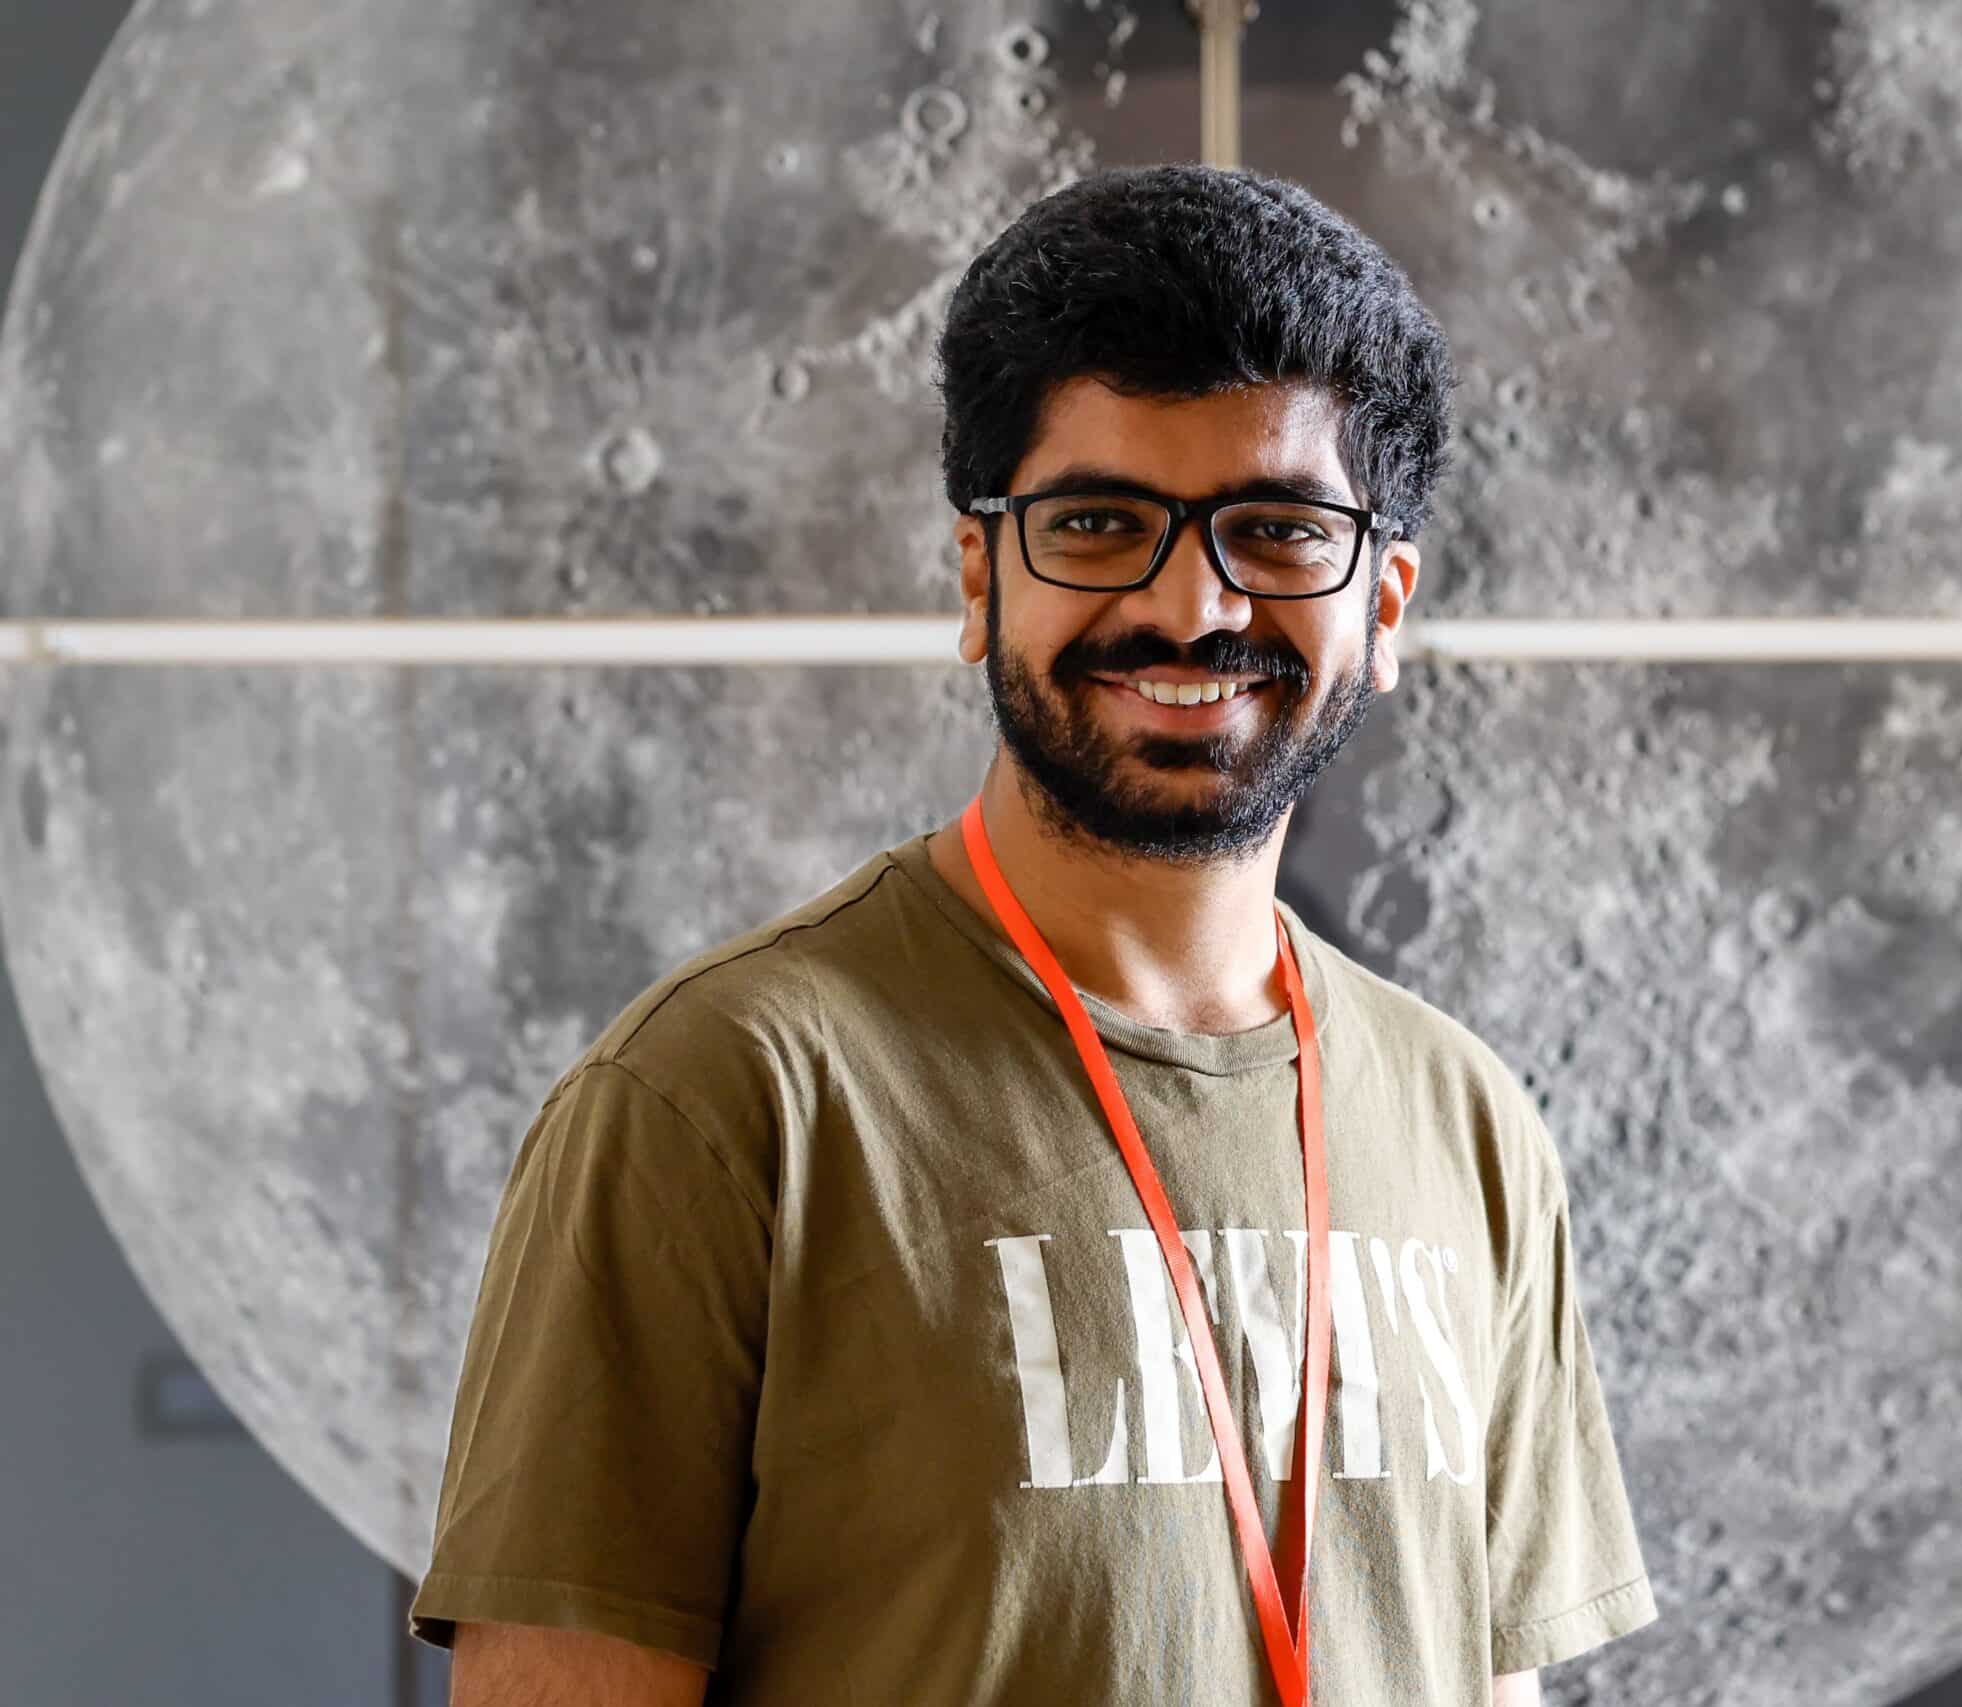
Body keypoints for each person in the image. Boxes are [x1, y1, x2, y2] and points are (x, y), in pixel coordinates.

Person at [408, 162, 1657, 1707]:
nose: (1190, 606)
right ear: (979, 573)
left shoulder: (1466, 1125)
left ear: (1385, 606)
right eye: (1097, 521)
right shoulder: (721, 1103)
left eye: (1272, 529)